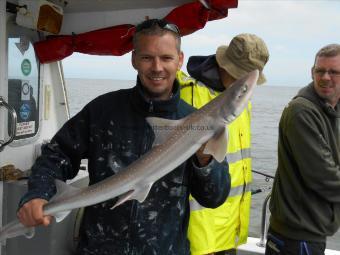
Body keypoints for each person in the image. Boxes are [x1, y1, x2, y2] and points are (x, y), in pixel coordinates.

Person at [17, 19, 231, 255]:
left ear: (179, 60)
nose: (157, 67)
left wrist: (205, 161)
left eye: (167, 58)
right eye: (147, 57)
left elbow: (215, 198)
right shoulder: (103, 110)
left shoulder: (197, 122)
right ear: (133, 59)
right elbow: (57, 153)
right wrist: (38, 192)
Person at [177, 33, 269, 254]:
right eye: (238, 74)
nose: (242, 82)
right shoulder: (185, 91)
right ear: (222, 64)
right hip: (197, 233)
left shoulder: (242, 103)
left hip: (231, 230)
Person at [265, 44, 340, 255]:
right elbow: (324, 177)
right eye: (320, 71)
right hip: (296, 237)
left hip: (311, 231)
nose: (325, 77)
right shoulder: (302, 112)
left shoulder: (330, 109)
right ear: (312, 72)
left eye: (334, 72)